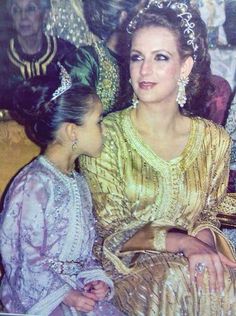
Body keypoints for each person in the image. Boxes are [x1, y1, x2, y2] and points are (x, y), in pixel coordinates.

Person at [80, 1, 236, 315]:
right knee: (176, 279)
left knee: (219, 281)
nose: (144, 70)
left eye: (160, 57)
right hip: (130, 267)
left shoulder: (213, 140)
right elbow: (111, 231)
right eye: (137, 57)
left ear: (185, 66)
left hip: (190, 260)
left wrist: (204, 248)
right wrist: (183, 244)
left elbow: (206, 214)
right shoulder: (105, 137)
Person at [0, 65, 124, 316]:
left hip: (76, 291)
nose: (105, 129)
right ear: (72, 131)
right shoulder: (33, 185)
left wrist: (94, 279)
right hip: (38, 298)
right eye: (98, 121)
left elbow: (84, 250)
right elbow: (23, 256)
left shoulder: (78, 182)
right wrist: (65, 295)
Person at [64, 0, 146, 115]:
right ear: (123, 18)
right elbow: (78, 117)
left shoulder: (144, 60)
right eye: (141, 16)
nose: (147, 22)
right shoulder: (87, 59)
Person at [0, 0, 76, 113]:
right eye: (16, 10)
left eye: (30, 9)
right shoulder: (3, 55)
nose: (23, 16)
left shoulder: (65, 52)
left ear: (45, 14)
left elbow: (75, 102)